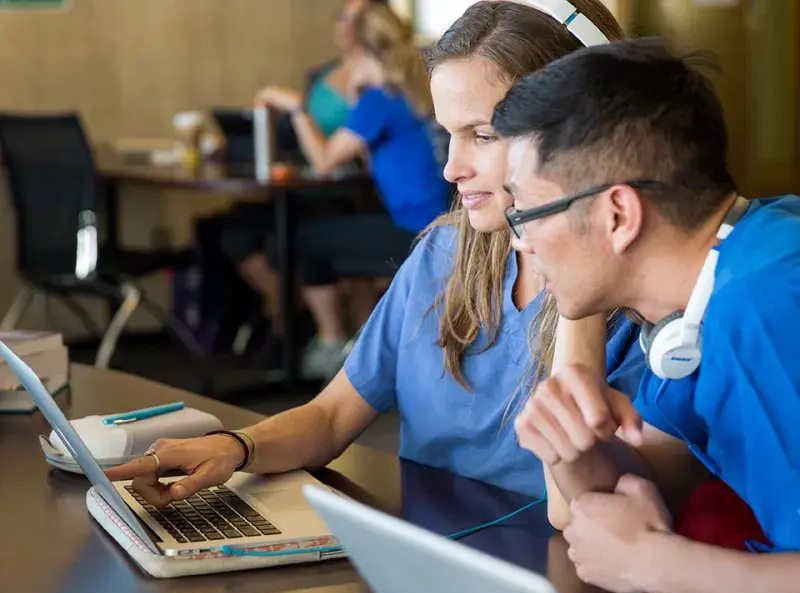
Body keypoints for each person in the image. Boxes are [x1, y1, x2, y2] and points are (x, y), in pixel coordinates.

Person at [106, 1, 644, 529]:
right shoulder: (443, 253)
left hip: (551, 571)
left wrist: (575, 255)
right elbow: (331, 416)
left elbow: (577, 513)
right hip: (422, 556)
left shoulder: (639, 306)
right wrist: (234, 446)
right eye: (449, 135)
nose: (452, 169)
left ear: (584, 135)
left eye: (482, 135)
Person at [494, 37, 800, 593]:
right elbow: (649, 486)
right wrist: (572, 449)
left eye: (525, 214)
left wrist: (651, 563)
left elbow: (635, 546)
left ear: (617, 216)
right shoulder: (698, 301)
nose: (518, 242)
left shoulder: (765, 302)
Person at [257, 2, 452, 378]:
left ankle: (333, 344)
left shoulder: (378, 100)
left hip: (417, 233)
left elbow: (323, 161)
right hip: (441, 224)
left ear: (360, 53)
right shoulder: (411, 89)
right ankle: (359, 342)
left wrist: (297, 108)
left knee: (304, 241)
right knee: (338, 230)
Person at [218, 0, 386, 369]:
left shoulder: (378, 81)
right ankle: (291, 310)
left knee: (297, 238)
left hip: (353, 191)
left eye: (357, 18)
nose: (347, 26)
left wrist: (297, 110)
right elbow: (301, 137)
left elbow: (341, 152)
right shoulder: (321, 74)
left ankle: (324, 335)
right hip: (306, 184)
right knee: (236, 231)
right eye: (343, 17)